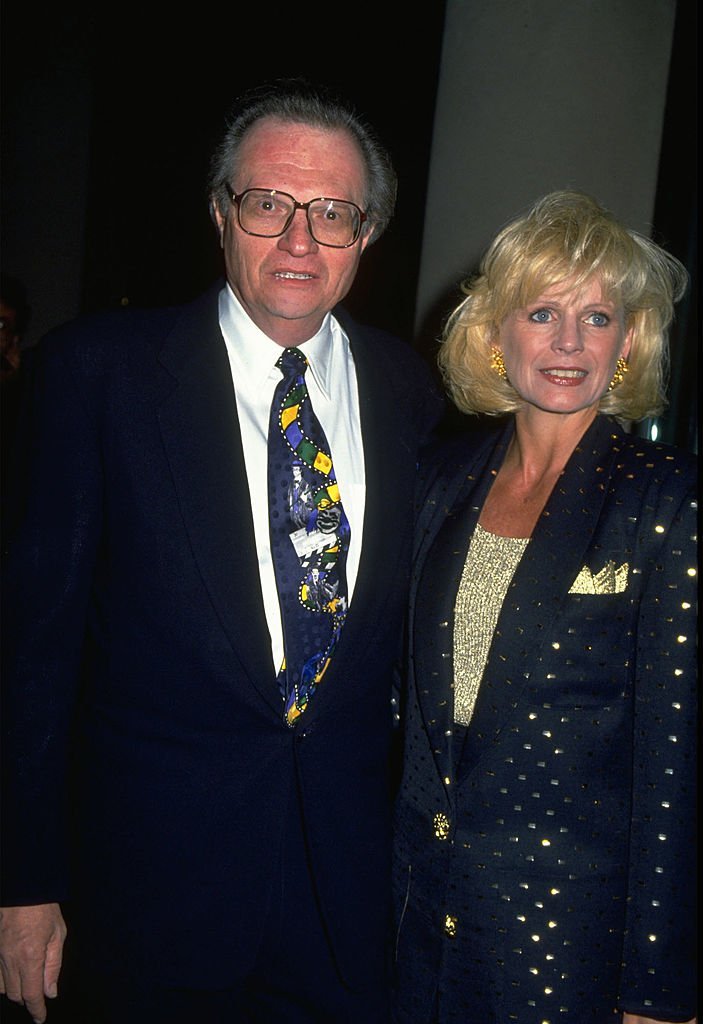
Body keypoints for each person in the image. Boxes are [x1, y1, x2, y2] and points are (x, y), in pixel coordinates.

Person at [0, 79, 444, 1024]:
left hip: (347, 909)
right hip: (148, 903)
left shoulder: (414, 396)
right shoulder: (98, 375)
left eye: (330, 213)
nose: (297, 240)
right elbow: (29, 655)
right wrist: (20, 885)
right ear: (218, 215)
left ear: (364, 236)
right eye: (267, 204)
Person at [392, 191, 697, 1024]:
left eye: (597, 317)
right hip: (417, 932)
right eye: (541, 312)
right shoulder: (437, 483)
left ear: (628, 343)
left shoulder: (666, 504)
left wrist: (658, 990)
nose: (568, 342)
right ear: (495, 336)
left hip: (566, 955)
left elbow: (677, 771)